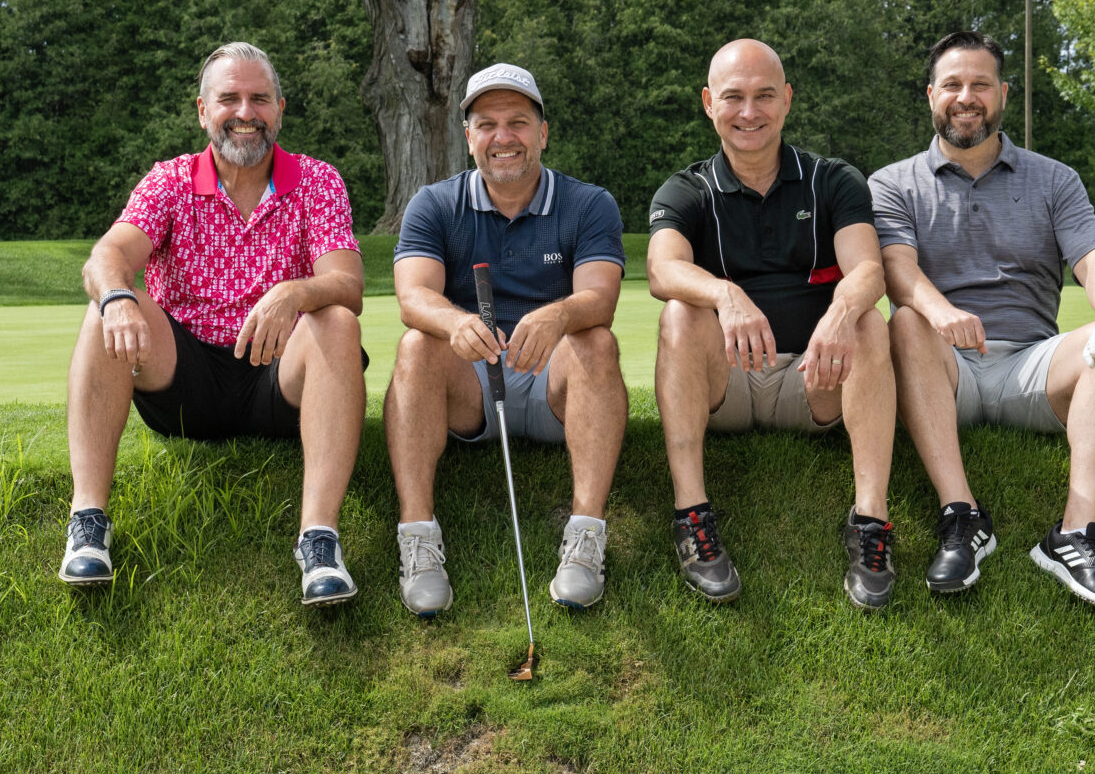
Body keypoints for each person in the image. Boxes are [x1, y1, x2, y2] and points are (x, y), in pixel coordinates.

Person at [60, 41, 368, 605]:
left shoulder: (317, 180)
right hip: (185, 382)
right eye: (229, 99)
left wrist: (295, 291)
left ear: (280, 109)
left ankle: (319, 540)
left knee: (338, 322)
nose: (245, 112)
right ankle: (88, 523)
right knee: (107, 304)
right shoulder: (170, 180)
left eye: (260, 99)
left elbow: (348, 284)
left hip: (278, 377)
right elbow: (106, 256)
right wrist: (118, 298)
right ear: (204, 111)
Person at [872, 30, 1095, 614]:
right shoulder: (892, 183)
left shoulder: (1055, 178)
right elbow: (896, 268)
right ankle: (962, 517)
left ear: (1003, 94)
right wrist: (941, 311)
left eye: (981, 85)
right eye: (952, 85)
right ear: (931, 95)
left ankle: (1075, 534)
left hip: (1032, 365)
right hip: (943, 368)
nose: (966, 97)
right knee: (906, 323)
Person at [649, 39, 898, 609]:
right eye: (733, 97)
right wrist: (724, 292)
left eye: (764, 96)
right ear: (708, 103)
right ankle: (692, 516)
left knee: (868, 321)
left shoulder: (833, 179)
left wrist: (841, 311)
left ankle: (871, 524)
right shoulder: (685, 189)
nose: (749, 112)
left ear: (787, 100)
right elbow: (662, 269)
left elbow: (869, 270)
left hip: (814, 379)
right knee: (679, 313)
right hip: (726, 384)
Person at [384, 63, 629, 615]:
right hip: (471, 384)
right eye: (487, 124)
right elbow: (413, 297)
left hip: (554, 383)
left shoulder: (589, 203)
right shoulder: (433, 203)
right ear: (468, 136)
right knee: (417, 345)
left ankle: (585, 537)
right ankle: (418, 538)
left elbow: (600, 298)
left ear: (542, 133)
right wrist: (455, 322)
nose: (503, 137)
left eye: (518, 122)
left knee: (597, 341)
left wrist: (558, 315)